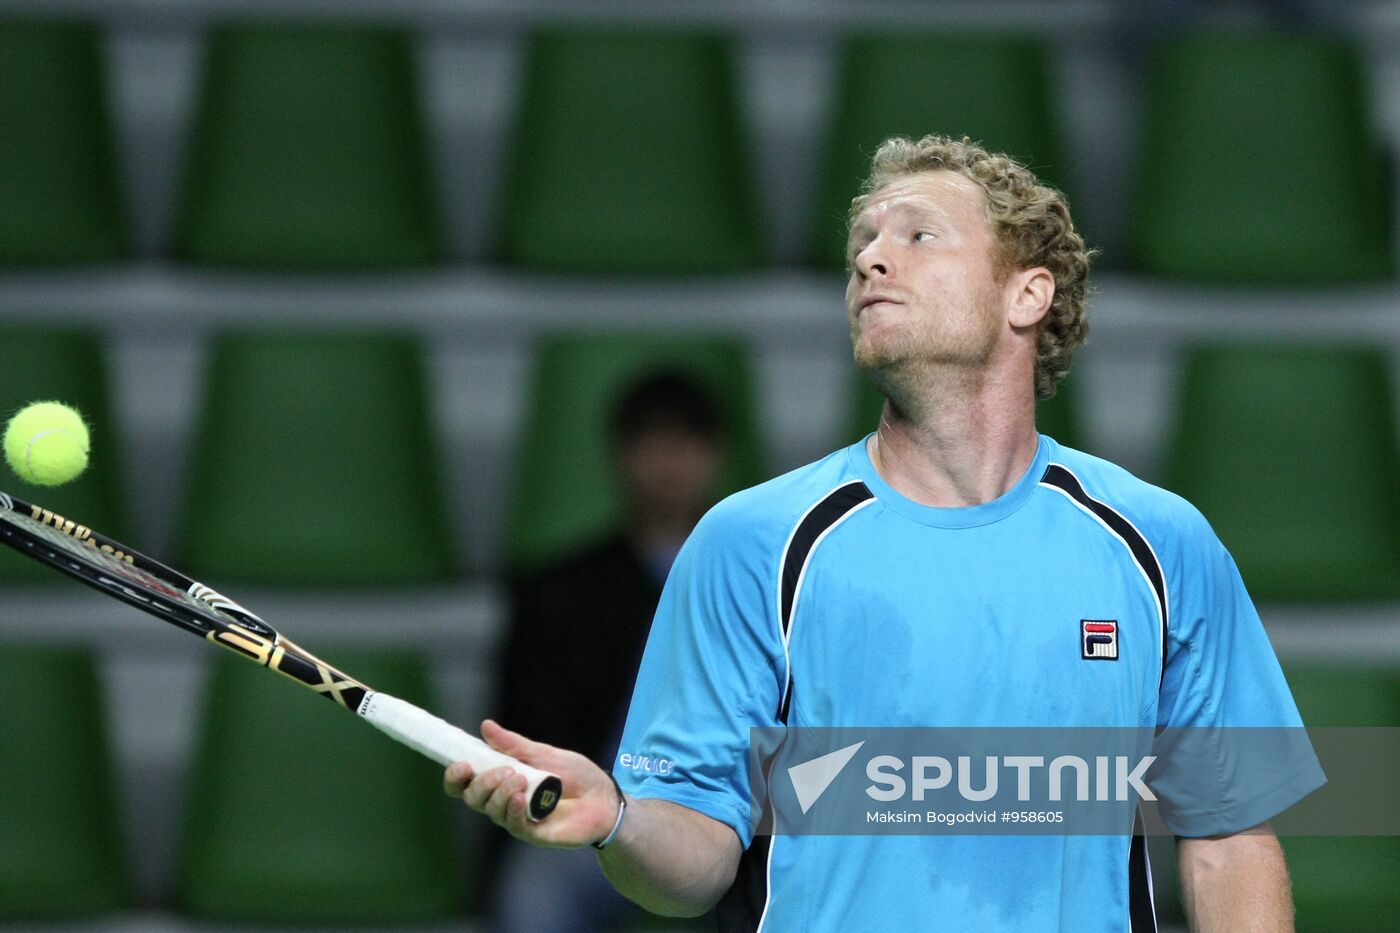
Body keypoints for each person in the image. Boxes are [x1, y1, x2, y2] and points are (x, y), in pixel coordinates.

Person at [447, 135, 1324, 931]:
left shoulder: (1161, 544)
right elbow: (696, 864)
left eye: (918, 235)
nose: (870, 257)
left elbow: (1229, 841)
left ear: (1027, 293)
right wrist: (621, 822)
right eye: (862, 241)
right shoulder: (750, 543)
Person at [487, 371, 726, 931]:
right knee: (533, 899)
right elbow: (526, 724)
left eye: (686, 441)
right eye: (651, 440)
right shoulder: (558, 591)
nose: (669, 460)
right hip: (591, 813)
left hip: (726, 817)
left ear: (714, 455)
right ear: (620, 455)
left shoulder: (758, 583)